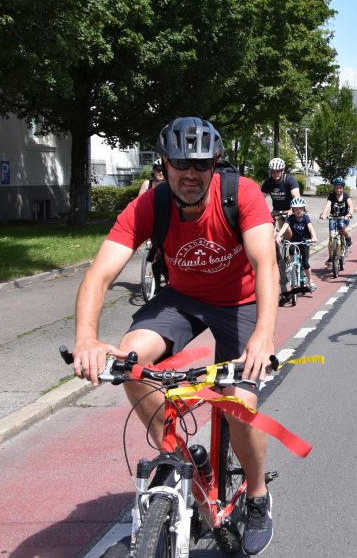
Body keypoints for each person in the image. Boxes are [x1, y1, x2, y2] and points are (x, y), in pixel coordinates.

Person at [71, 117, 278, 555]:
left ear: (216, 165)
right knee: (127, 362)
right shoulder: (151, 205)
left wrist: (263, 335)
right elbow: (99, 274)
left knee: (238, 401)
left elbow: (266, 265)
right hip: (181, 299)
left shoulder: (241, 195)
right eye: (180, 162)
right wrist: (87, 338)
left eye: (201, 164)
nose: (190, 173)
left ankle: (258, 496)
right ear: (162, 165)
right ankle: (183, 454)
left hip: (240, 304)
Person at [277, 196, 317, 293]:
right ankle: (292, 268)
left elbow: (310, 228)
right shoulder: (290, 218)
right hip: (294, 241)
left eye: (300, 209)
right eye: (295, 209)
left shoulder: (306, 218)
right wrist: (278, 236)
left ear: (303, 209)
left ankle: (310, 281)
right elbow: (284, 227)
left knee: (305, 262)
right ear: (293, 210)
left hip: (304, 242)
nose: (298, 211)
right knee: (290, 250)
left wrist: (314, 237)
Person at [319, 177, 354, 262]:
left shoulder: (346, 196)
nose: (338, 190)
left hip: (344, 217)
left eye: (340, 188)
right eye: (337, 188)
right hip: (333, 218)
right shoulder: (331, 196)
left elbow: (351, 206)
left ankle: (348, 239)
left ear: (343, 188)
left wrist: (350, 214)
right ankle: (331, 257)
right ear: (334, 188)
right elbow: (328, 205)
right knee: (331, 236)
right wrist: (324, 213)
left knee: (342, 228)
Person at [261, 157, 301, 224]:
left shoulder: (289, 180)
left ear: (283, 170)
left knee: (288, 229)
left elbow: (296, 197)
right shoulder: (268, 182)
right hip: (276, 211)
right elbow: (260, 198)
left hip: (290, 209)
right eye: (273, 171)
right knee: (269, 226)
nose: (275, 174)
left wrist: (292, 210)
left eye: (278, 171)